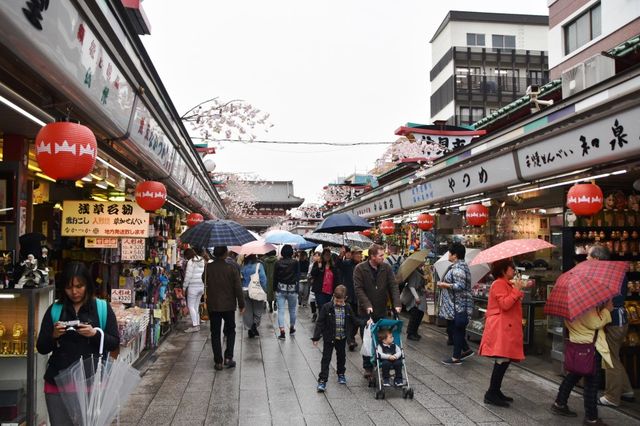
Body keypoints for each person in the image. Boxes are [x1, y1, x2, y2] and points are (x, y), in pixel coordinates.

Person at [36, 262, 120, 426]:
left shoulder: (102, 308)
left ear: (87, 284)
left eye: (79, 286)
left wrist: (95, 334)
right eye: (69, 287)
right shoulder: (55, 309)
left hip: (92, 382)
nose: (74, 292)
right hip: (57, 383)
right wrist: (54, 336)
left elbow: (114, 342)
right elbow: (41, 347)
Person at [551, 301, 614, 425]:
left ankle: (560, 403)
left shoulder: (569, 305)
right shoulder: (586, 306)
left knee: (574, 375)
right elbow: (595, 323)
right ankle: (592, 418)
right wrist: (606, 310)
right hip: (590, 347)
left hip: (577, 344)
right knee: (591, 383)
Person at [587, 245, 635, 407]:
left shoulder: (605, 274)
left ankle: (612, 396)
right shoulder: (616, 271)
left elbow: (605, 299)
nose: (587, 259)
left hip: (613, 321)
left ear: (597, 259)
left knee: (610, 359)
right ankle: (626, 389)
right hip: (619, 319)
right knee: (614, 355)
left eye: (589, 256)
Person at [478, 258, 525, 407]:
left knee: (505, 360)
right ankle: (491, 393)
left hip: (506, 327)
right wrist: (516, 290)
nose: (514, 270)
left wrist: (517, 288)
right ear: (504, 270)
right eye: (511, 267)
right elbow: (505, 304)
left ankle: (495, 391)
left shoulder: (505, 284)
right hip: (501, 327)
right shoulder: (498, 284)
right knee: (502, 360)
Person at [354, 243, 401, 379]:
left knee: (382, 337)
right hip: (366, 311)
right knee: (367, 339)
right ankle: (368, 366)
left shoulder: (386, 268)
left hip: (381, 309)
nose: (383, 257)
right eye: (381, 255)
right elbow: (359, 289)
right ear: (373, 256)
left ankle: (382, 362)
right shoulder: (360, 269)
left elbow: (393, 286)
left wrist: (396, 304)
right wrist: (367, 304)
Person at [203, 246, 245, 370]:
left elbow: (203, 280)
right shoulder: (231, 268)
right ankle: (228, 358)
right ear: (225, 253)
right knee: (230, 331)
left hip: (213, 305)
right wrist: (241, 304)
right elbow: (238, 288)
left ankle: (218, 362)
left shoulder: (208, 267)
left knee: (215, 333)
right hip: (228, 305)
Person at [311, 285, 358, 392]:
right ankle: (322, 380)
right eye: (336, 300)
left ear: (345, 298)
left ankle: (341, 373)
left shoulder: (347, 307)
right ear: (333, 297)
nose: (338, 303)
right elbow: (320, 322)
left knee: (341, 356)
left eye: (340, 301)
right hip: (329, 337)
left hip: (341, 337)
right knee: (326, 358)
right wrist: (316, 337)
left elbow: (354, 320)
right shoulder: (327, 307)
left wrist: (365, 322)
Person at [437, 242, 474, 365]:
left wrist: (445, 285)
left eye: (450, 253)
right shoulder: (459, 267)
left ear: (455, 255)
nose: (448, 255)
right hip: (456, 305)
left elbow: (460, 286)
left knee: (457, 330)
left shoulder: (458, 269)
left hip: (459, 306)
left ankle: (456, 358)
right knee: (454, 328)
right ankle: (466, 350)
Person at [274, 244, 300, 339]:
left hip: (281, 288)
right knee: (292, 310)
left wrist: (274, 288)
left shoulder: (278, 263)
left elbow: (275, 277)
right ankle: (292, 327)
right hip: (292, 289)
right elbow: (298, 275)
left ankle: (282, 331)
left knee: (281, 310)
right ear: (291, 252)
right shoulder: (295, 262)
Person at [340, 248, 363, 350]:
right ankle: (350, 340)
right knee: (349, 318)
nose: (359, 256)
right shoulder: (346, 264)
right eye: (357, 254)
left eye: (360, 255)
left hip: (359, 297)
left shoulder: (362, 266)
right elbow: (338, 265)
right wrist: (342, 255)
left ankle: (351, 336)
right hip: (349, 296)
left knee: (357, 319)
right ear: (352, 255)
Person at [240, 254, 267, 338]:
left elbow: (239, 279)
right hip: (256, 290)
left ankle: (250, 329)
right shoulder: (259, 265)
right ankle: (254, 325)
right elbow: (263, 278)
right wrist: (265, 289)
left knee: (247, 312)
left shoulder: (243, 267)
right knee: (258, 310)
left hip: (245, 290)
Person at [183, 248, 207, 333]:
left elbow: (188, 276)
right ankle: (197, 324)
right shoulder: (202, 260)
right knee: (196, 306)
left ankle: (195, 325)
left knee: (191, 306)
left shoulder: (191, 262)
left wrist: (184, 287)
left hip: (193, 287)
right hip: (201, 286)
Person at [310, 248, 340, 313]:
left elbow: (336, 278)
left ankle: (325, 321)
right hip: (320, 290)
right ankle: (321, 321)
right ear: (323, 255)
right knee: (321, 307)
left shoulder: (333, 266)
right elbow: (313, 273)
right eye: (326, 255)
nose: (327, 256)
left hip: (329, 291)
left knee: (328, 308)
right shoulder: (318, 263)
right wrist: (319, 267)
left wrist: (336, 290)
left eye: (328, 255)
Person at [405, 265, 428, 341]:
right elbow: (411, 286)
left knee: (420, 314)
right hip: (416, 297)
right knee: (415, 314)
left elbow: (420, 284)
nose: (423, 262)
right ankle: (410, 333)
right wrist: (416, 297)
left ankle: (414, 332)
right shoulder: (414, 272)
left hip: (420, 295)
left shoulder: (420, 271)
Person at [308, 251, 321, 321]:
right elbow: (309, 274)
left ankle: (319, 314)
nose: (316, 257)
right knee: (312, 300)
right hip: (313, 285)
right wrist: (310, 278)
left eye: (317, 256)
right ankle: (314, 313)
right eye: (315, 256)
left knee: (318, 301)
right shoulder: (311, 265)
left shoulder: (322, 265)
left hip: (319, 286)